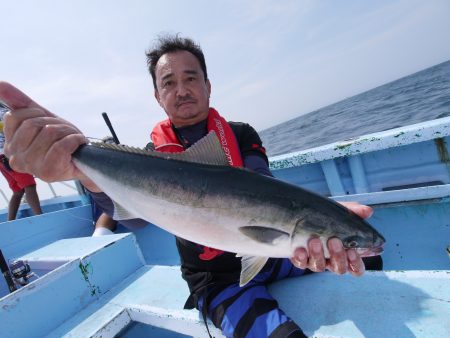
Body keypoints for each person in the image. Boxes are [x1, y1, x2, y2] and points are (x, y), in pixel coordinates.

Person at [0, 35, 380, 338]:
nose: (181, 89)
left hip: (272, 259)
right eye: (169, 82)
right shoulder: (148, 159)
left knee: (370, 256)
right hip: (218, 282)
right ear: (158, 96)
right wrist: (80, 167)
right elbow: (131, 219)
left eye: (191, 77)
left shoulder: (241, 134)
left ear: (208, 85)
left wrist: (329, 224)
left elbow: (262, 185)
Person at [0, 103, 42, 220]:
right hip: (10, 155)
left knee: (18, 191)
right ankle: (40, 218)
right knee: (30, 186)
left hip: (2, 160)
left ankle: (10, 222)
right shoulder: (5, 112)